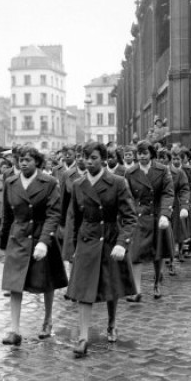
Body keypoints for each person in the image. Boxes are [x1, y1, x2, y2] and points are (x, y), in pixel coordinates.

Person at [65, 142, 137, 358]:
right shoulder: (78, 185)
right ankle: (83, 337)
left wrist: (122, 243)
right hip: (87, 242)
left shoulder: (117, 182)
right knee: (84, 292)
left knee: (110, 287)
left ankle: (112, 322)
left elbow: (130, 217)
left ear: (104, 159)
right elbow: (73, 219)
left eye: (94, 157)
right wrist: (71, 248)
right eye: (86, 158)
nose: (89, 162)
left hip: (110, 240)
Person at [0, 145, 67, 345]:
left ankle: (47, 320)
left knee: (46, 282)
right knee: (14, 283)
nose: (23, 163)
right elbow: (7, 217)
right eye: (20, 159)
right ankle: (14, 329)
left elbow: (54, 214)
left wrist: (44, 242)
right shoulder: (10, 182)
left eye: (28, 159)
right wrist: (2, 246)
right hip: (18, 238)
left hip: (41, 237)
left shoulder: (49, 182)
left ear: (37, 162)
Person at [124, 140, 174, 301]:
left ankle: (157, 284)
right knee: (136, 253)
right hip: (139, 216)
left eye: (145, 153)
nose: (142, 157)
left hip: (158, 215)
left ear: (151, 154)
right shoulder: (131, 172)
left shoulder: (162, 169)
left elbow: (168, 192)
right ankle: (136, 290)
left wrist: (165, 214)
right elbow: (127, 196)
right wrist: (129, 213)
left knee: (158, 252)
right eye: (139, 154)